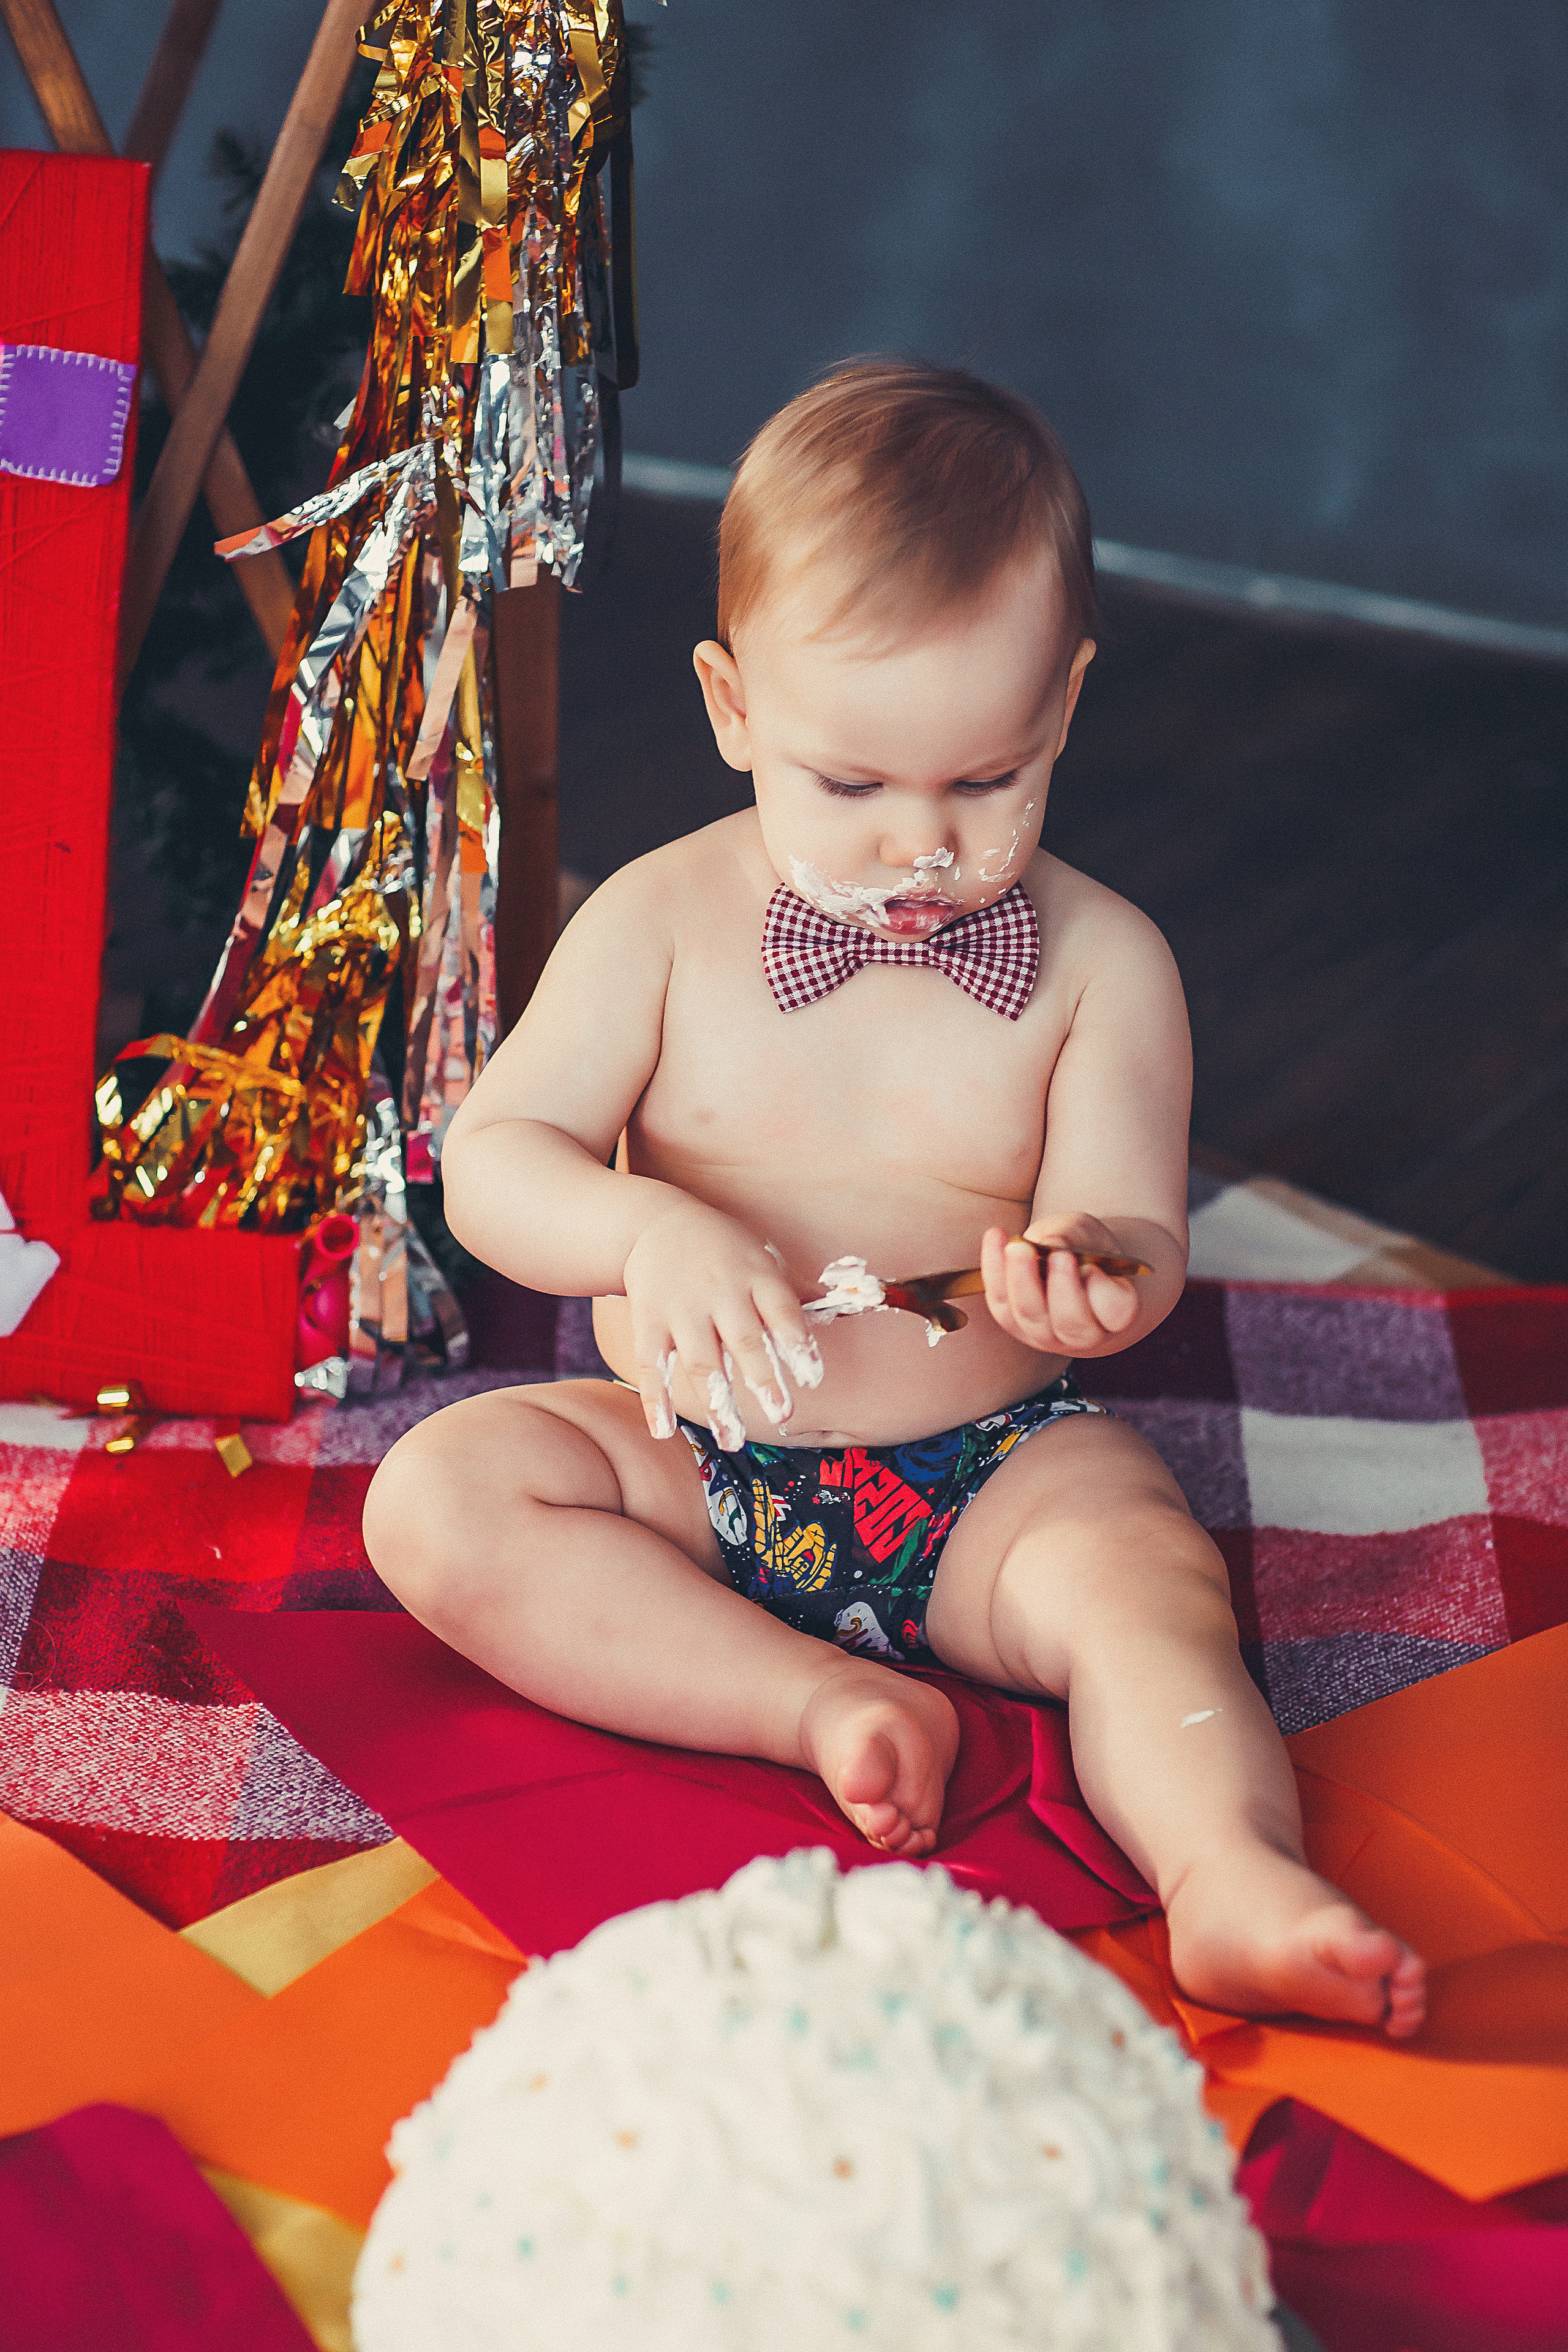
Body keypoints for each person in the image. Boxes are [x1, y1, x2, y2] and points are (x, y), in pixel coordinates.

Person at [365, 360, 1425, 2037]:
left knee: (1147, 1582)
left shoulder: (1103, 965)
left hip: (984, 1482)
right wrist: (649, 1228)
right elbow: (495, 1163)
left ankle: (1229, 1874)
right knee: (437, 1498)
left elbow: (1129, 1231)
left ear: (1064, 708)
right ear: (731, 708)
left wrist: (1098, 1273)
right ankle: (815, 1705)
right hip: (694, 1461)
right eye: (850, 787)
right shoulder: (651, 925)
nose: (921, 848)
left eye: (986, 783)